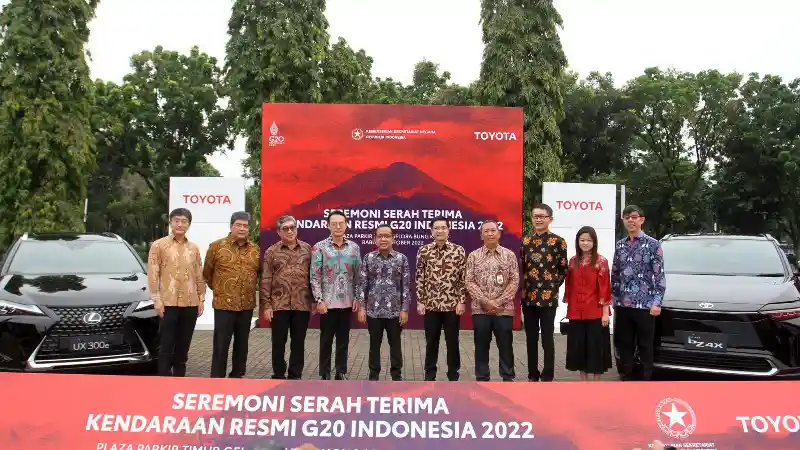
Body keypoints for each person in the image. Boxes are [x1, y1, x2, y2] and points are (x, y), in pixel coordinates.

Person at [147, 208, 205, 377]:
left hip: (190, 303)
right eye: (177, 221)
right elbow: (153, 274)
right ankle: (163, 378)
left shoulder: (193, 248)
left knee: (183, 345)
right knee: (166, 345)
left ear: (189, 224)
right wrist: (156, 299)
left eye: (184, 221)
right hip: (168, 303)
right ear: (171, 222)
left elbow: (199, 274)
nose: (180, 224)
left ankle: (180, 377)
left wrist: (201, 298)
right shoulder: (158, 245)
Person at [611, 204, 666, 381]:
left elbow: (659, 275)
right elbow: (615, 274)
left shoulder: (653, 244)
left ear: (642, 220)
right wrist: (614, 298)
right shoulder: (620, 245)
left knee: (645, 346)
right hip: (623, 305)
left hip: (645, 305)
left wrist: (657, 302)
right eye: (627, 217)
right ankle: (626, 379)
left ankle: (644, 382)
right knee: (624, 345)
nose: (630, 220)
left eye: (634, 217)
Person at [204, 211, 262, 378]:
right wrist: (221, 290)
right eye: (238, 225)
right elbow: (207, 273)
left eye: (245, 226)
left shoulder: (255, 250)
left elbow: (258, 273)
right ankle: (217, 379)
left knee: (242, 345)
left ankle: (237, 376)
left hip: (246, 305)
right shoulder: (216, 247)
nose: (242, 228)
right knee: (221, 345)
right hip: (224, 305)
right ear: (231, 226)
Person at [465, 220, 519, 382]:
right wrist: (484, 301)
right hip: (480, 309)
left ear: (499, 233)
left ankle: (507, 377)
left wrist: (498, 301)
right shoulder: (474, 256)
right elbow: (469, 281)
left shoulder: (509, 255)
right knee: (481, 345)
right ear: (481, 235)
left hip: (504, 309)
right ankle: (482, 377)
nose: (490, 234)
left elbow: (514, 280)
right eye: (486, 231)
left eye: (493, 230)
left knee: (506, 345)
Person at [310, 210, 361, 380]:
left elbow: (358, 275)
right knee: (326, 339)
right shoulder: (319, 247)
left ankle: (341, 371)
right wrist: (319, 299)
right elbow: (315, 276)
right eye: (334, 224)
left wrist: (357, 297)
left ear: (346, 225)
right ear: (328, 225)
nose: (338, 227)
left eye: (341, 223)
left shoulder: (354, 248)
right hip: (327, 302)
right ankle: (324, 372)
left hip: (347, 301)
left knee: (343, 340)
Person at [261, 215, 313, 380]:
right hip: (279, 304)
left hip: (302, 303)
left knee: (298, 342)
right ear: (279, 232)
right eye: (285, 228)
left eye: (292, 227)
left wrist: (314, 301)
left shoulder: (307, 249)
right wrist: (267, 305)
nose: (290, 231)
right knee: (278, 342)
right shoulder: (271, 251)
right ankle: (278, 373)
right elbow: (266, 278)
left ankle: (295, 375)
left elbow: (314, 277)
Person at [520, 203, 568, 382]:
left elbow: (563, 269)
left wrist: (552, 287)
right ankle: (532, 374)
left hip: (548, 298)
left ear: (550, 219)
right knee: (530, 338)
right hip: (528, 297)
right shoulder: (525, 241)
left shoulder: (558, 242)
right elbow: (522, 268)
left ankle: (548, 375)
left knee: (547, 338)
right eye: (535, 216)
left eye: (542, 216)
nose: (538, 219)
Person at [416, 216, 466, 381]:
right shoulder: (424, 251)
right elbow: (420, 277)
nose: (440, 231)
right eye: (436, 228)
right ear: (431, 231)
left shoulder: (458, 250)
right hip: (431, 305)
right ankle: (430, 375)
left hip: (452, 305)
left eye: (443, 227)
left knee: (452, 342)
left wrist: (461, 301)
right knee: (431, 342)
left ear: (448, 230)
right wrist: (420, 301)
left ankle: (453, 375)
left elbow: (462, 278)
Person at [357, 224, 410, 381]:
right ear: (375, 239)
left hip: (395, 312)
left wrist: (404, 309)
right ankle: (373, 376)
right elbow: (362, 285)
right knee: (374, 345)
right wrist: (362, 308)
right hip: (373, 311)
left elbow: (406, 286)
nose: (384, 239)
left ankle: (396, 376)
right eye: (380, 236)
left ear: (393, 238)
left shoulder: (401, 259)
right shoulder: (368, 258)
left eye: (387, 236)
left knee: (395, 345)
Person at [563, 226, 612, 381]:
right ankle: (584, 382)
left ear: (594, 242)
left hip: (595, 312)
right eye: (582, 240)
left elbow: (605, 288)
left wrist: (605, 313)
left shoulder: (601, 261)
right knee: (580, 349)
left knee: (596, 348)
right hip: (576, 312)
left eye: (589, 240)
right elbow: (570, 286)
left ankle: (596, 383)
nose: (585, 243)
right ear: (577, 241)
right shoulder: (573, 261)